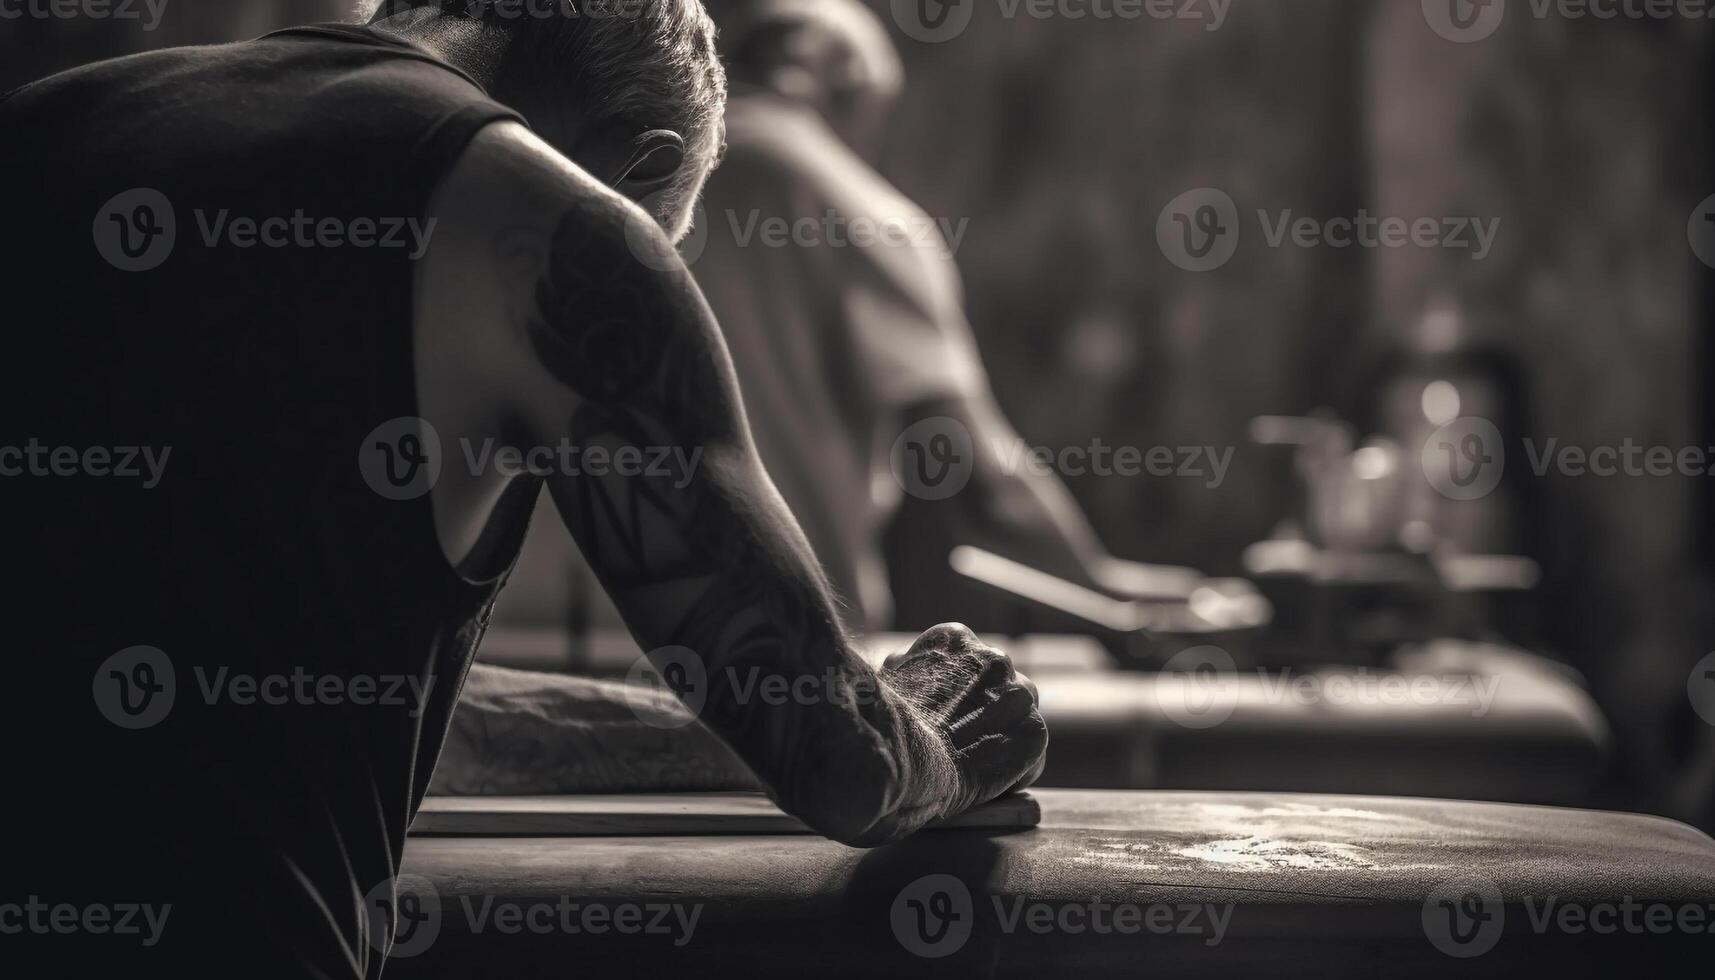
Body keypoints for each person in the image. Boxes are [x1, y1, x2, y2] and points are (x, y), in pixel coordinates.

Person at [0, 1, 1045, 975]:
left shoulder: (48, 122)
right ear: (639, 166)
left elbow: (291, 683)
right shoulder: (558, 231)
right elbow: (840, 761)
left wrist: (706, 732)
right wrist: (938, 733)